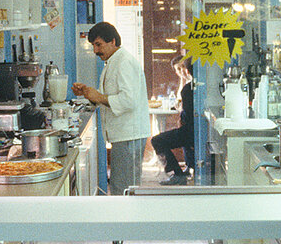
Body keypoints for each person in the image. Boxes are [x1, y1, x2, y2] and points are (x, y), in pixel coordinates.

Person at [72, 22, 149, 195]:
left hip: (129, 135)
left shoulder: (124, 62)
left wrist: (98, 96)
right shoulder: (114, 61)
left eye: (98, 45)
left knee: (123, 189)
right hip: (123, 135)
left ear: (112, 41)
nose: (95, 51)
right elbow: (113, 95)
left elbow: (129, 100)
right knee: (121, 186)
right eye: (93, 46)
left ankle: (125, 221)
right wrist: (88, 93)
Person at [150, 56, 197, 185]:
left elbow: (186, 117)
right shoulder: (203, 88)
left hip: (191, 132)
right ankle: (187, 168)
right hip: (200, 131)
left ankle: (176, 174)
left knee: (157, 140)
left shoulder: (188, 89)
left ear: (187, 71)